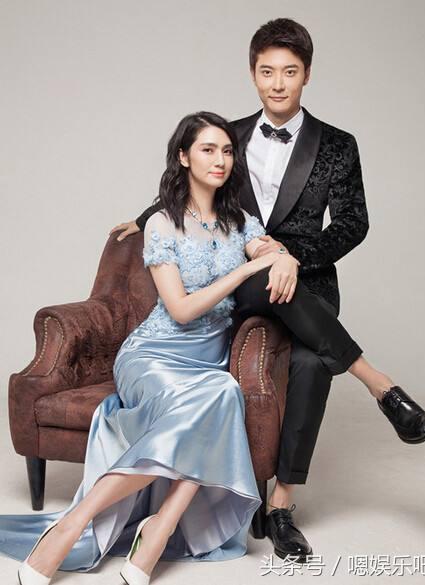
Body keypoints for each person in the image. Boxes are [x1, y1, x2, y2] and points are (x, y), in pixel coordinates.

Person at [111, 18, 425, 561]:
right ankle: (381, 385)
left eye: (289, 72)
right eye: (267, 72)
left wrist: (293, 259)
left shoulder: (338, 145)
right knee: (265, 277)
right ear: (252, 74)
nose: (278, 83)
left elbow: (352, 222)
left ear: (307, 75)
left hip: (309, 284)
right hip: (243, 281)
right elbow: (193, 183)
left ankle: (280, 505)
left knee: (312, 362)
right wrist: (144, 216)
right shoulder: (230, 136)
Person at [0, 112, 295, 584]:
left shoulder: (242, 223)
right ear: (184, 157)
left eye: (226, 150)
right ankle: (75, 525)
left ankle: (161, 525)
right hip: (154, 355)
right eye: (207, 149)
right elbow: (180, 309)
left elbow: (271, 251)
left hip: (208, 361)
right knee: (216, 399)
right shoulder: (161, 223)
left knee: (222, 393)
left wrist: (282, 258)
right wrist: (243, 271)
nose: (220, 160)